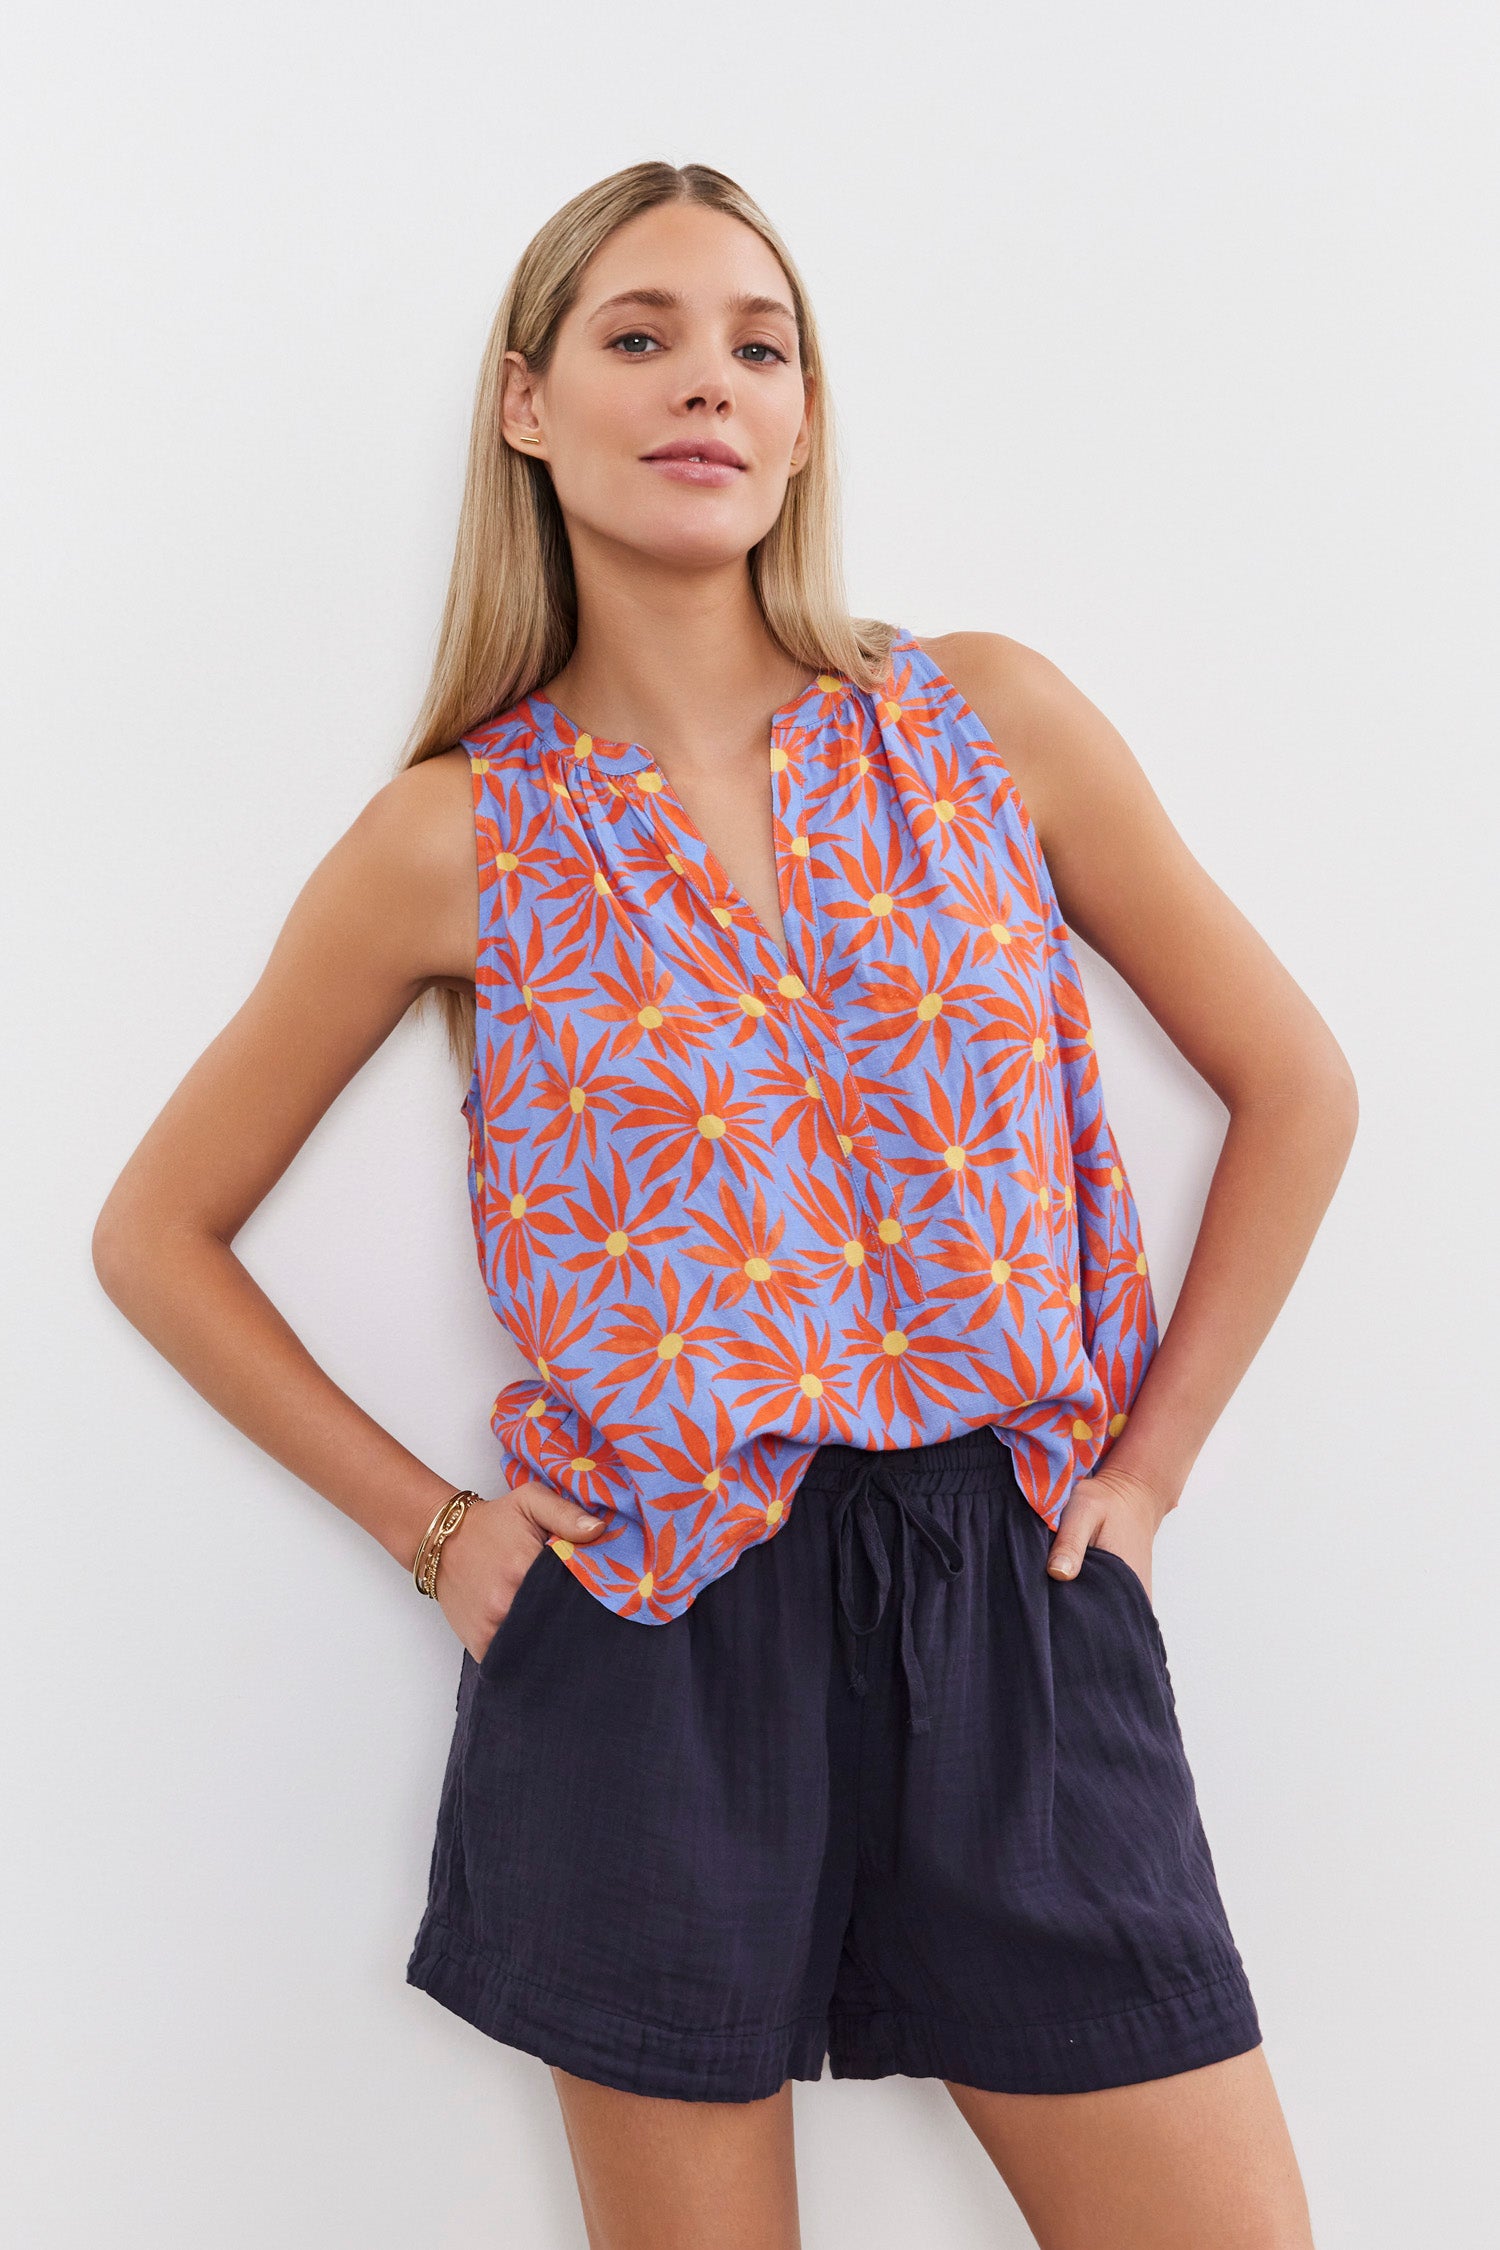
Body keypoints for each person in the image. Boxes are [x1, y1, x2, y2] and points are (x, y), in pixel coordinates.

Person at [93, 158, 1353, 2250]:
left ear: (804, 416)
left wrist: (1156, 1466)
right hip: (658, 1634)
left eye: (760, 346)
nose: (709, 384)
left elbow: (1297, 1082)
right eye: (642, 336)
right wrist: (438, 1532)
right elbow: (155, 1232)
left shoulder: (982, 723)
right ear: (527, 404)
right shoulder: (456, 839)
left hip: (1015, 1592)